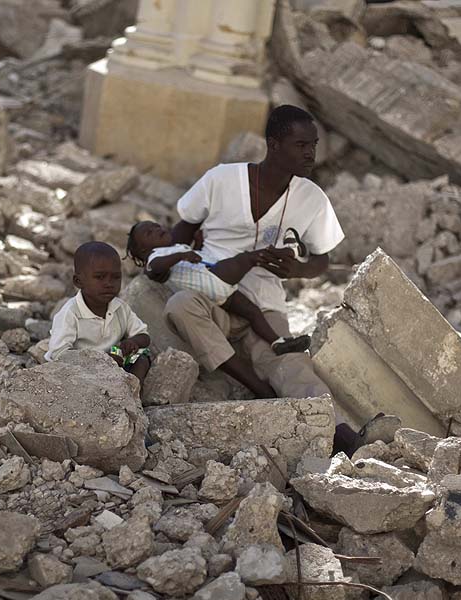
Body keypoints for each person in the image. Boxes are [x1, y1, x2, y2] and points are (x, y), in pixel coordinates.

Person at [161, 104, 361, 453]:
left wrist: (295, 269)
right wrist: (171, 263)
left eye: (313, 144)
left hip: (266, 305)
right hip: (213, 294)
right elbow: (184, 226)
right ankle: (258, 388)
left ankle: (345, 436)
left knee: (292, 365)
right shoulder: (221, 179)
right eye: (301, 144)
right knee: (180, 304)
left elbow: (322, 259)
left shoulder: (312, 198)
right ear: (274, 144)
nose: (310, 153)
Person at [125, 220, 311, 374]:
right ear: (143, 251)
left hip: (219, 292)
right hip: (214, 280)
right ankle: (290, 251)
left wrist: (196, 245)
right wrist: (182, 255)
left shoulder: (176, 247)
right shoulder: (155, 257)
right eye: (149, 233)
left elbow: (195, 260)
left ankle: (277, 342)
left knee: (252, 311)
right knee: (248, 258)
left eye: (156, 225)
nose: (157, 229)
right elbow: (155, 268)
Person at [45, 241, 151, 385]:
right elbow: (58, 354)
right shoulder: (70, 313)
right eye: (100, 277)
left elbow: (144, 336)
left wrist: (132, 342)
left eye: (115, 277)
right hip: (82, 366)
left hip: (115, 357)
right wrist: (99, 360)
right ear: (78, 281)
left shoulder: (120, 308)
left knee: (142, 358)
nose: (109, 283)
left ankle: (133, 392)